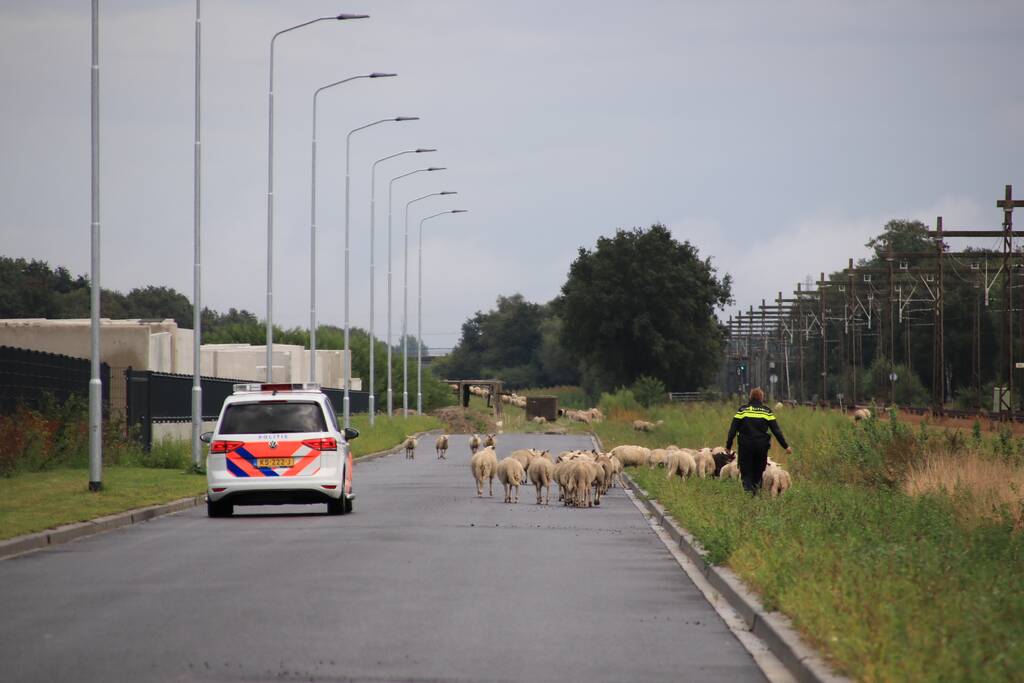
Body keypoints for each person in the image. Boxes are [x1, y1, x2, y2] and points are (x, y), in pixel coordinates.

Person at [725, 387, 791, 495]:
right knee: (758, 473)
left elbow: (732, 430)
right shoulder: (767, 412)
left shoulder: (742, 410)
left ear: (750, 397)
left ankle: (748, 494)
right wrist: (786, 446)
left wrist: (728, 446)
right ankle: (755, 494)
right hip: (761, 448)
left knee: (746, 473)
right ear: (762, 398)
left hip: (745, 447)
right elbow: (776, 430)